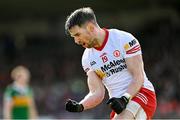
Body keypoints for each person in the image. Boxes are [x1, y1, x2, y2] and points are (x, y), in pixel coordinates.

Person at [65, 7, 157, 119]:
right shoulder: (87, 58)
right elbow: (97, 93)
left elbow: (138, 76)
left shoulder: (123, 39)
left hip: (141, 94)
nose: (76, 41)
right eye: (73, 37)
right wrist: (81, 106)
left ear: (90, 27)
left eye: (77, 34)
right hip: (119, 105)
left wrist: (125, 98)